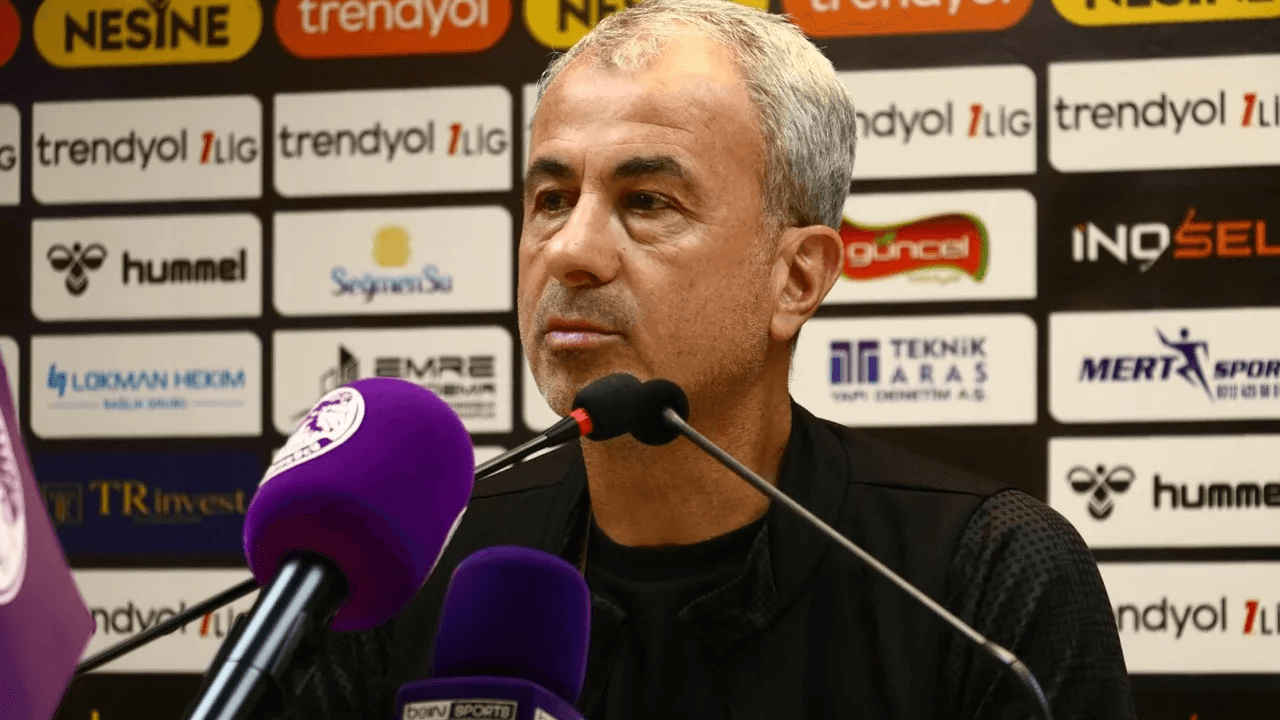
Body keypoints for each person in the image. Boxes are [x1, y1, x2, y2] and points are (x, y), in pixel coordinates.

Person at [263, 1, 1135, 718]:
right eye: (552, 198)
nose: (571, 250)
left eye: (647, 201)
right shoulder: (418, 557)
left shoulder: (985, 576)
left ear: (797, 278)